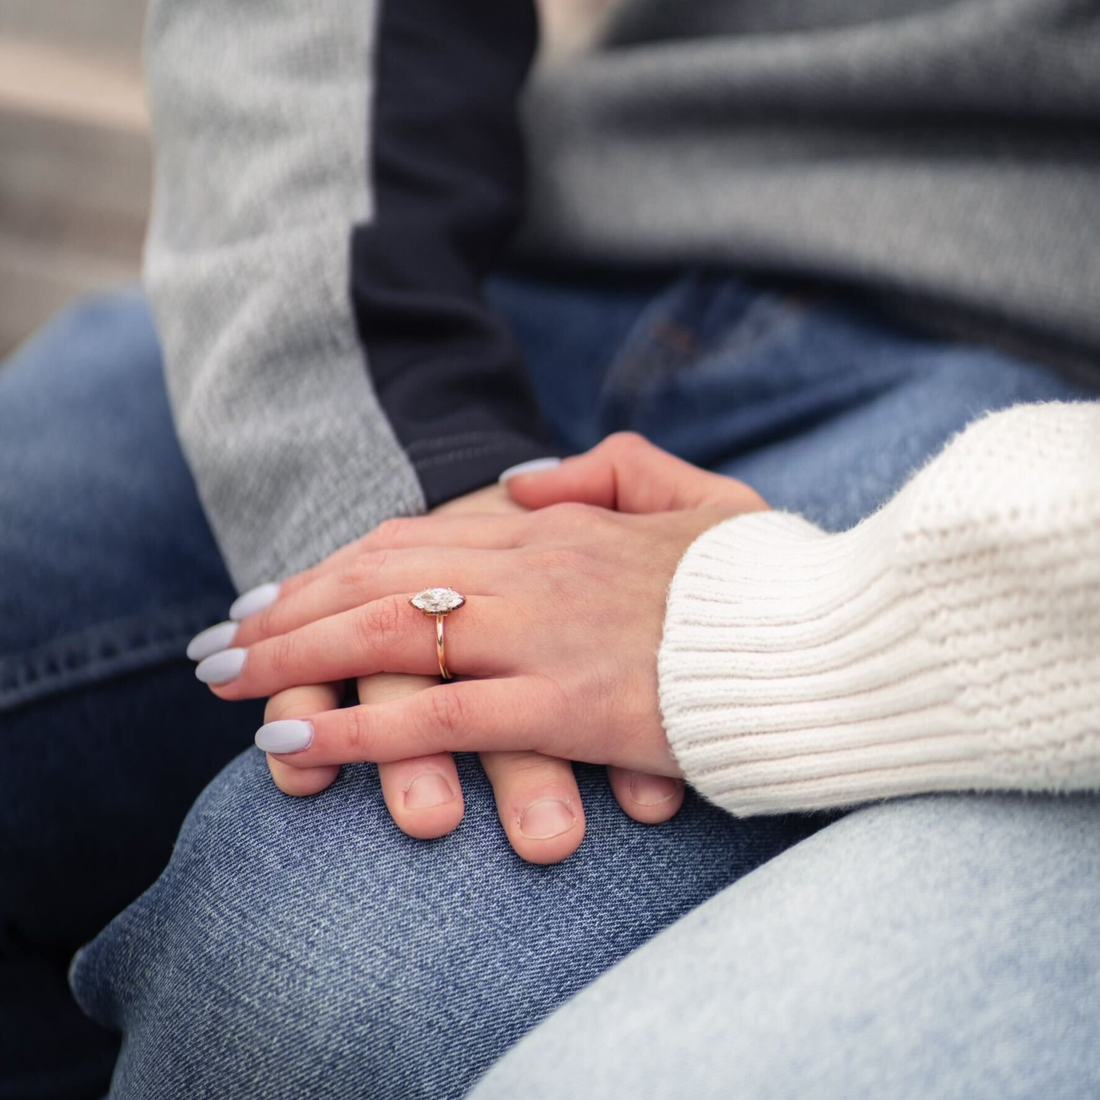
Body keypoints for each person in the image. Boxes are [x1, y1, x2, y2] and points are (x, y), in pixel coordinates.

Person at [2, 0, 1098, 1097]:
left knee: (319, 966)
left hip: (1033, 430)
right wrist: (404, 460)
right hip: (543, 222)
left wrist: (752, 619)